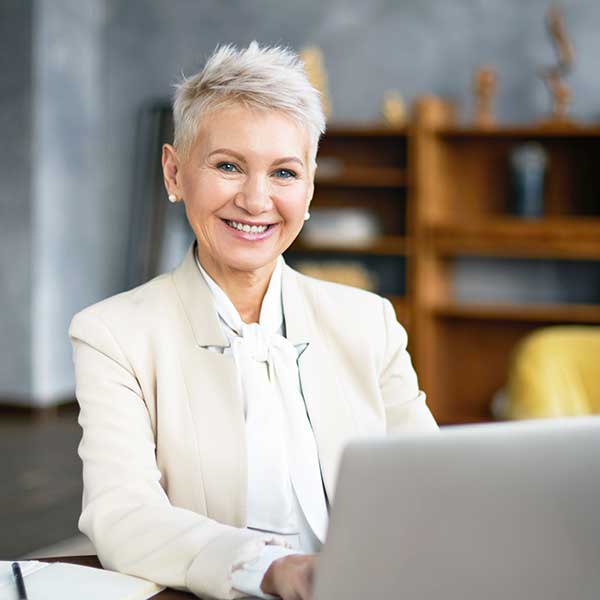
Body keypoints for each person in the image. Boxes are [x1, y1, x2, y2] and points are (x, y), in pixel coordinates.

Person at [69, 42, 438, 600]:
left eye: (284, 172)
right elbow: (123, 515)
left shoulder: (370, 322)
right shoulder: (113, 334)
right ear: (174, 172)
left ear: (310, 186)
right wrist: (270, 570)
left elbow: (434, 485)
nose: (256, 199)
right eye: (227, 166)